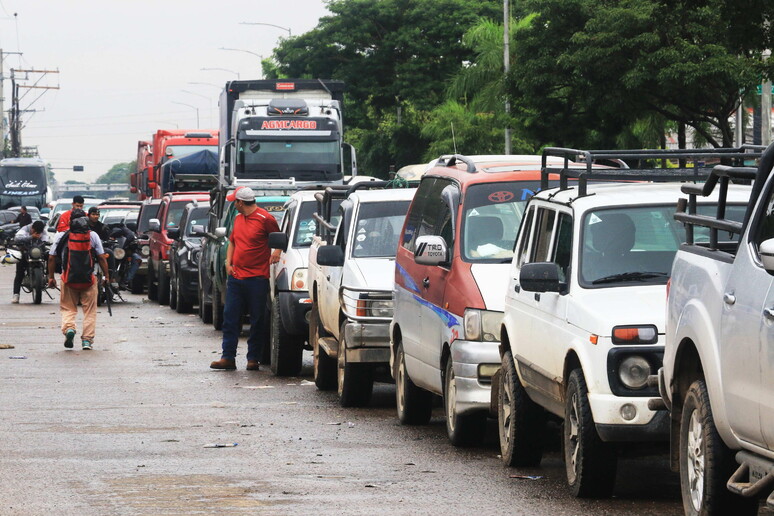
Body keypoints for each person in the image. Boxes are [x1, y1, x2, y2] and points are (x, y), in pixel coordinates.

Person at [210, 186, 280, 371]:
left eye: (235, 201)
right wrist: (228, 262)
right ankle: (228, 357)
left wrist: (277, 252)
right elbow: (232, 242)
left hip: (257, 278)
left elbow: (279, 238)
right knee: (230, 317)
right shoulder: (238, 218)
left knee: (257, 319)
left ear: (241, 202)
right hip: (236, 277)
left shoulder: (266, 219)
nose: (234, 204)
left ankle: (253, 358)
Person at [48, 209, 110, 350]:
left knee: (68, 308)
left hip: (68, 278)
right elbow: (101, 257)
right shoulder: (93, 235)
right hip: (89, 279)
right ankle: (87, 341)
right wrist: (106, 276)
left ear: (70, 221)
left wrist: (51, 277)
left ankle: (69, 328)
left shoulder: (62, 236)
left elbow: (51, 257)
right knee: (90, 311)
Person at [11, 220, 49, 304]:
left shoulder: (43, 231)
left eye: (39, 232)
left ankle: (49, 277)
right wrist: (31, 237)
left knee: (50, 256)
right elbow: (16, 238)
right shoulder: (25, 229)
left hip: (37, 253)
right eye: (35, 231)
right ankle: (16, 294)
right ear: (32, 228)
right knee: (20, 272)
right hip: (26, 252)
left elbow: (46, 240)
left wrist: (44, 242)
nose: (37, 233)